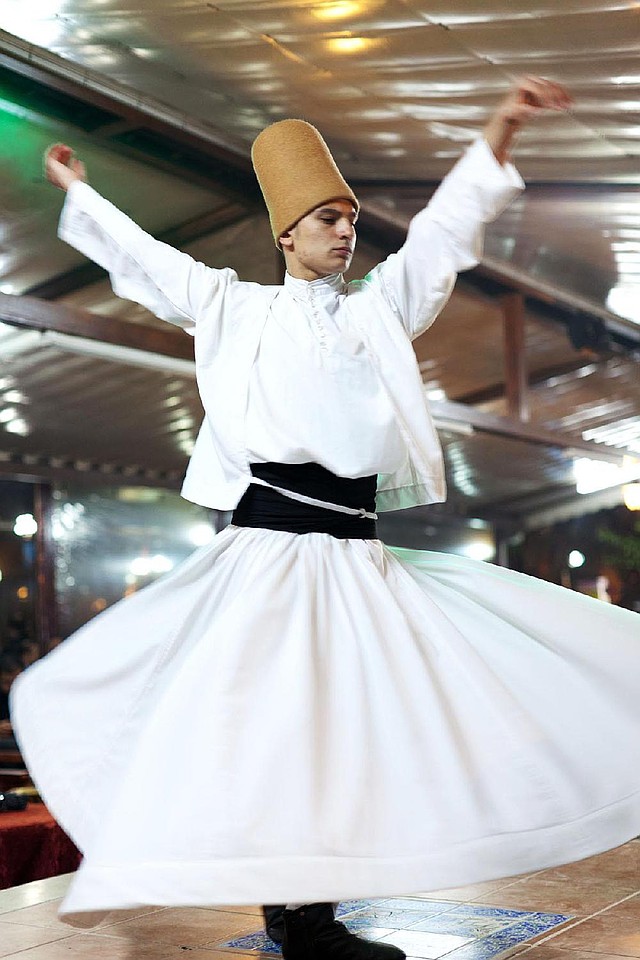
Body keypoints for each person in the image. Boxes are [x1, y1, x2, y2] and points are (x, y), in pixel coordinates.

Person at [10, 77, 640, 960]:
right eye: (328, 219)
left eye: (350, 219)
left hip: (355, 558)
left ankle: (317, 918)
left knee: (356, 729)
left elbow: (443, 237)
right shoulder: (231, 308)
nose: (346, 232)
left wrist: (501, 126)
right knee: (277, 734)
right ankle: (296, 921)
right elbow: (147, 260)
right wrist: (77, 191)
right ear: (287, 233)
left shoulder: (379, 313)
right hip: (269, 554)